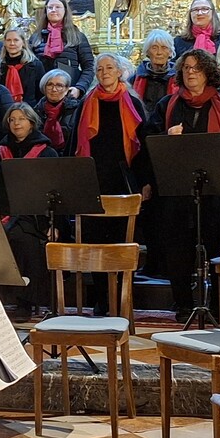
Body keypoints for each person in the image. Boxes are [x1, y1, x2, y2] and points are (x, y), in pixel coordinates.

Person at [140, 48, 220, 320]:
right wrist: (166, 136)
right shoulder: (167, 104)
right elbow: (148, 143)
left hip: (218, 191)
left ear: (208, 73)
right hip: (177, 191)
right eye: (186, 68)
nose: (190, 73)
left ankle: (219, 305)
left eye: (196, 68)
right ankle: (183, 304)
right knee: (178, 248)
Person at [74, 53, 147, 312]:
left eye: (109, 68)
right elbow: (75, 144)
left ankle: (122, 297)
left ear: (119, 72)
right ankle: (102, 299)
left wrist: (145, 182)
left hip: (123, 181)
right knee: (95, 243)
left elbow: (142, 147)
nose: (104, 72)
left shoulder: (132, 103)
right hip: (93, 180)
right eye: (99, 69)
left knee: (121, 242)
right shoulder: (87, 103)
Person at [0, 102, 60, 319]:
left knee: (22, 238)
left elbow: (58, 192)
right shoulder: (0, 153)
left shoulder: (46, 153)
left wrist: (55, 225)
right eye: (12, 119)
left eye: (21, 119)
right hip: (4, 214)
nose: (16, 123)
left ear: (31, 123)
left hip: (36, 218)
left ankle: (25, 302)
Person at [27, 0, 94, 91]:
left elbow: (89, 67)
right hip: (42, 91)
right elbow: (29, 66)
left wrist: (79, 88)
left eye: (58, 7)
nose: (53, 10)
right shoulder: (36, 37)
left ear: (65, 10)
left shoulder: (77, 36)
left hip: (69, 90)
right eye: (50, 7)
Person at [32, 68, 79, 155]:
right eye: (50, 85)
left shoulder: (77, 109)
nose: (54, 89)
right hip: (42, 156)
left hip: (70, 156)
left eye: (59, 85)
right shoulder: (35, 111)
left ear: (66, 89)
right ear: (44, 88)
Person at [132, 30, 177, 114]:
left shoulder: (179, 80)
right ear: (147, 52)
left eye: (164, 48)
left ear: (170, 52)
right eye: (154, 48)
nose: (159, 52)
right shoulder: (134, 79)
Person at [0, 28, 45, 104]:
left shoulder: (35, 65)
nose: (12, 43)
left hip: (29, 109)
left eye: (16, 40)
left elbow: (41, 93)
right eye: (8, 40)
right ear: (4, 43)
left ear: (23, 43)